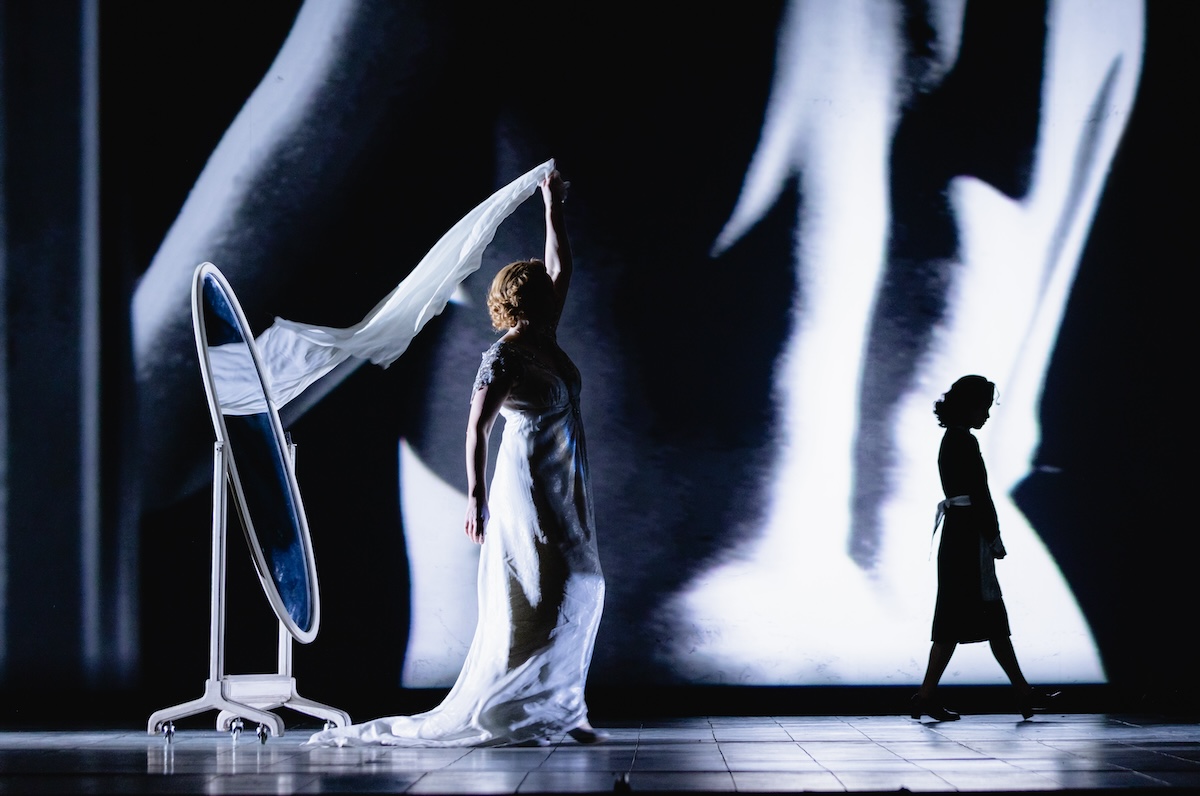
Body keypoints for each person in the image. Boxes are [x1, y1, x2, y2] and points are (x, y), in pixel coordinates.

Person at [306, 170, 608, 747]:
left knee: (581, 586)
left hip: (564, 477)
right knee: (544, 591)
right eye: (541, 290)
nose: (554, 291)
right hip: (528, 483)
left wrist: (552, 206)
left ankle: (562, 706)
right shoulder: (505, 357)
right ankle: (520, 708)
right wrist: (475, 497)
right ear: (523, 301)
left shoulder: (545, 338)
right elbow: (477, 428)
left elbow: (560, 265)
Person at [911, 375, 1049, 722]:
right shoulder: (963, 442)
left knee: (964, 619)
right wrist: (993, 535)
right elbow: (980, 494)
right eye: (983, 408)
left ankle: (931, 695)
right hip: (968, 536)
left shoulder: (952, 439)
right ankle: (1021, 692)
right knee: (984, 616)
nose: (986, 415)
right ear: (968, 407)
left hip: (959, 535)